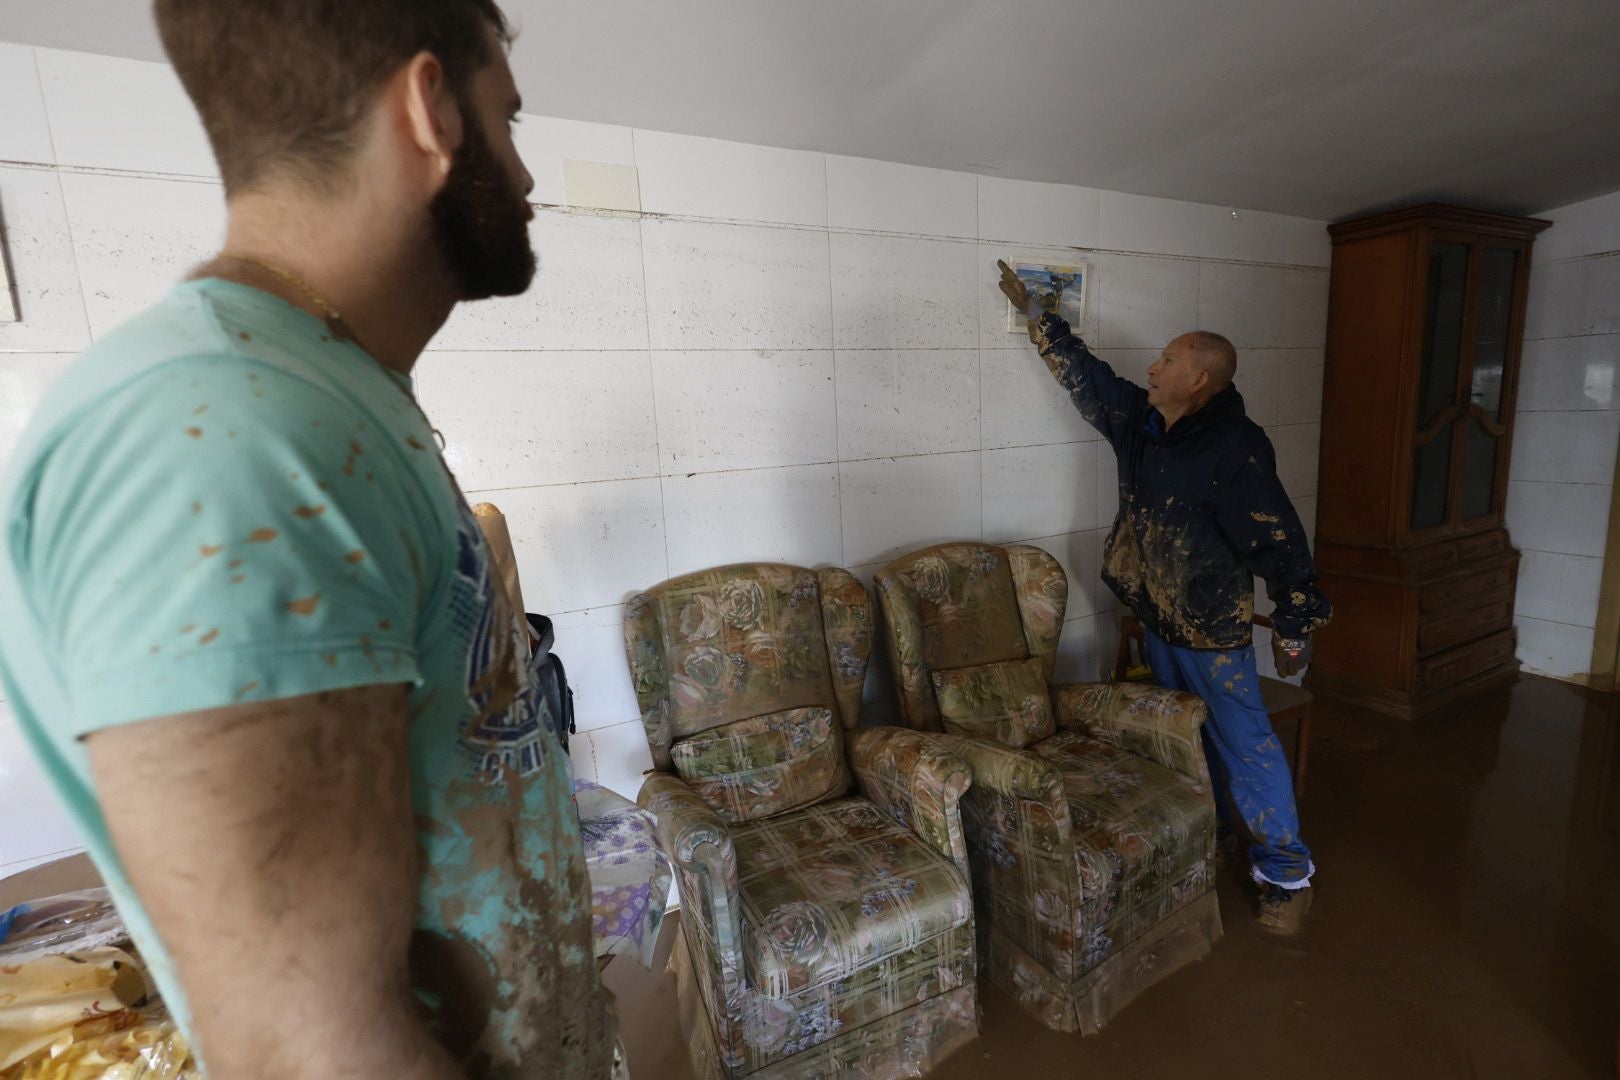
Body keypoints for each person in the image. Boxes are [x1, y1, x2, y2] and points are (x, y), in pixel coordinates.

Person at [0, 1, 617, 1075]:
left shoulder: (324, 386)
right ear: (430, 109)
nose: (524, 176)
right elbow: (312, 1051)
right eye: (507, 121)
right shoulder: (221, 433)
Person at [997, 260, 1331, 935]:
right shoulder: (1142, 422)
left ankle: (1287, 875)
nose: (1152, 366)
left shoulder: (1236, 446)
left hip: (1211, 627)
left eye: (1167, 359)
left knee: (1247, 743)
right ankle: (1210, 834)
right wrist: (1040, 317)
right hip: (1156, 616)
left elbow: (1279, 539)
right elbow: (1086, 377)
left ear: (1198, 378)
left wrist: (1295, 623)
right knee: (1180, 733)